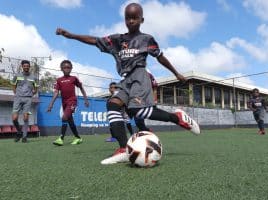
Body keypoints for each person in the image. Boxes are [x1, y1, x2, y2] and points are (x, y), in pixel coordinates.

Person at [56, 2, 200, 165]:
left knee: (135, 110)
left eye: (135, 18)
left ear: (141, 20)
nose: (131, 21)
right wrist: (71, 35)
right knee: (112, 105)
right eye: (128, 18)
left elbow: (160, 56)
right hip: (125, 80)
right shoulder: (117, 40)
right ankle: (123, 149)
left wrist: (176, 73)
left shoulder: (146, 39)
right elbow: (95, 40)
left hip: (139, 76)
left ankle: (177, 117)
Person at [47, 60, 89, 145]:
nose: (67, 69)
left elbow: (81, 88)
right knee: (70, 121)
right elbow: (56, 92)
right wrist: (51, 104)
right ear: (61, 69)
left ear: (71, 69)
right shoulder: (59, 80)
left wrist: (86, 99)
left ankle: (61, 138)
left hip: (72, 101)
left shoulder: (74, 78)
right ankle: (78, 138)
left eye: (68, 67)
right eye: (65, 67)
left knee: (64, 117)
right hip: (64, 103)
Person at [11, 60, 38, 143]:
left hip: (28, 99)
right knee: (14, 118)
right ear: (22, 66)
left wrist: (32, 94)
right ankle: (19, 131)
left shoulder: (34, 77)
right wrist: (16, 94)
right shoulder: (17, 76)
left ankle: (24, 137)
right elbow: (13, 85)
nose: (26, 67)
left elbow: (36, 88)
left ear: (29, 67)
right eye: (24, 66)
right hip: (18, 98)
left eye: (27, 66)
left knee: (26, 118)